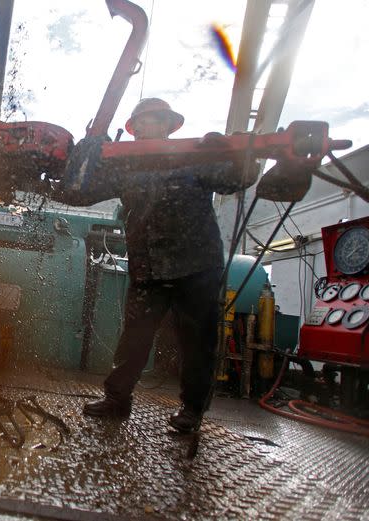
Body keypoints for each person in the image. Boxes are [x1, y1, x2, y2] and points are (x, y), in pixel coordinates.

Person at [82, 98, 254, 433]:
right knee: (134, 338)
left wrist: (236, 152)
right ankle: (117, 400)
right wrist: (91, 154)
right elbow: (84, 189)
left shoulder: (193, 157)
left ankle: (192, 411)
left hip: (197, 265)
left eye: (154, 121)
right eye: (141, 122)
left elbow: (237, 180)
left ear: (167, 125)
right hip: (149, 267)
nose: (147, 127)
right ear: (133, 130)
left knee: (197, 342)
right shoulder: (127, 166)